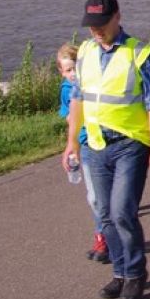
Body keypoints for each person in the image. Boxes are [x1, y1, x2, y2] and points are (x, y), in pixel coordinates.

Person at [63, 0, 150, 299]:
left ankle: (135, 273)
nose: (96, 30)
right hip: (94, 144)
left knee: (123, 212)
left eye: (101, 23)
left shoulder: (140, 54)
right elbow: (78, 98)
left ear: (117, 17)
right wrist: (71, 142)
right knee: (105, 214)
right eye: (91, 24)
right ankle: (120, 272)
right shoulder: (85, 51)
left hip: (130, 145)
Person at [58, 42, 106, 264]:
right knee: (94, 198)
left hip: (104, 141)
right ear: (61, 72)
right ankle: (102, 237)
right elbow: (69, 117)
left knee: (107, 197)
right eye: (67, 70)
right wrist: (73, 146)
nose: (72, 74)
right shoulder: (66, 90)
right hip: (84, 144)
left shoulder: (94, 82)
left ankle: (112, 235)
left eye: (74, 68)